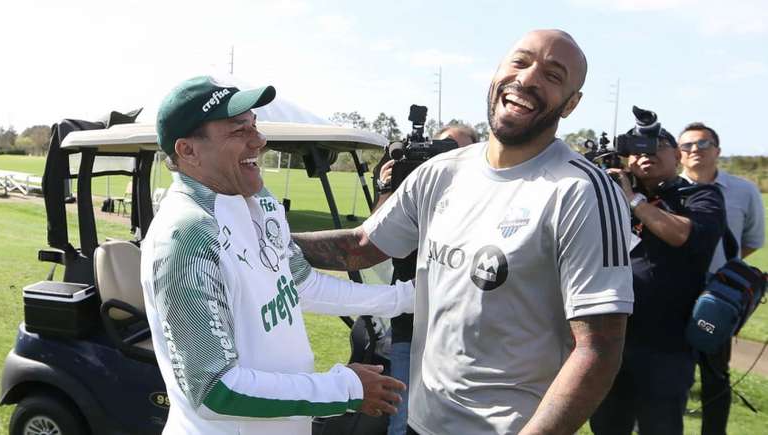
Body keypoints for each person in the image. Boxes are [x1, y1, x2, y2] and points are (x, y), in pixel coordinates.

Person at [293, 29, 634, 435]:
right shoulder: (442, 172)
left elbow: (599, 347)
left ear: (571, 104)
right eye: (520, 62)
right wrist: (262, 235)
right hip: (423, 422)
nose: (527, 79)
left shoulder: (582, 191)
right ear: (496, 74)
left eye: (553, 75)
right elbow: (362, 246)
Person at [140, 76, 415, 435]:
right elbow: (214, 392)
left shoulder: (255, 200)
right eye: (239, 131)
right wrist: (345, 389)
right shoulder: (186, 235)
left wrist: (407, 298)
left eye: (255, 125)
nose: (260, 140)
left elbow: (301, 284)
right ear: (188, 151)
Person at [590, 119, 727, 435]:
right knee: (607, 424)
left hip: (668, 345)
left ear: (678, 157)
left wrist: (634, 201)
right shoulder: (614, 195)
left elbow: (681, 234)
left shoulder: (702, 196)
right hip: (612, 336)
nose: (645, 155)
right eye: (637, 151)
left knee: (660, 426)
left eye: (657, 147)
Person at [372, 124, 478, 435]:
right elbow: (375, 239)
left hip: (462, 334)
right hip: (410, 327)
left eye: (458, 151)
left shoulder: (481, 196)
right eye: (443, 147)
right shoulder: (414, 187)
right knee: (401, 418)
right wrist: (386, 188)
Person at [678, 122, 765, 435]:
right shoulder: (666, 187)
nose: (694, 151)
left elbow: (753, 239)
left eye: (702, 145)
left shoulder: (744, 190)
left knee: (716, 373)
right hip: (672, 293)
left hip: (719, 298)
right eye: (687, 146)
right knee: (672, 370)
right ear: (678, 153)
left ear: (717, 150)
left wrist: (724, 270)